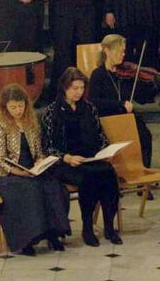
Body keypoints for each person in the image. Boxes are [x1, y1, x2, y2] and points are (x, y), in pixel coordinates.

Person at [0, 85, 71, 255]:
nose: (18, 110)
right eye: (13, 107)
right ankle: (27, 240)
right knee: (27, 189)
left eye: (21, 106)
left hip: (29, 168)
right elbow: (1, 159)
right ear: (5, 107)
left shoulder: (30, 120)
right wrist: (20, 172)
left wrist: (39, 161)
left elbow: (37, 150)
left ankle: (53, 234)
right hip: (3, 174)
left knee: (54, 186)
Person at [41, 68, 122, 247]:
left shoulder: (89, 107)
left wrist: (105, 151)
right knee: (88, 178)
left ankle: (109, 226)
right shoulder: (52, 111)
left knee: (108, 174)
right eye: (74, 88)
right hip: (65, 162)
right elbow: (47, 147)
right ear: (64, 88)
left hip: (89, 157)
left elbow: (100, 135)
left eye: (81, 88)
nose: (79, 92)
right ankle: (87, 227)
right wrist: (67, 157)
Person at [88, 34, 160, 169]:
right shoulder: (98, 75)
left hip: (127, 117)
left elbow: (143, 98)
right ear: (107, 50)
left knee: (145, 137)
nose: (123, 55)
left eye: (124, 51)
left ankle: (142, 173)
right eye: (119, 51)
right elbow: (93, 101)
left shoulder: (126, 73)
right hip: (107, 118)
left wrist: (159, 83)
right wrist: (120, 104)